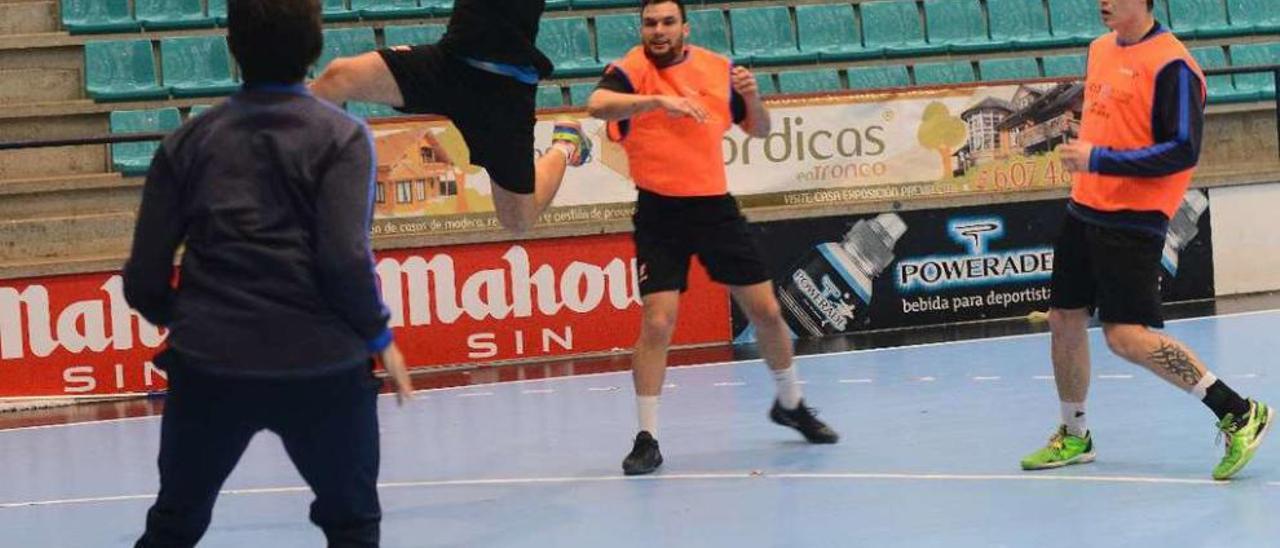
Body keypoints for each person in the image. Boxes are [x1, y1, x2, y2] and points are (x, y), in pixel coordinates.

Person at [125, 1, 413, 545]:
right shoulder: (343, 138)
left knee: (174, 525)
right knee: (353, 527)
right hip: (323, 368)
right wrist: (379, 337)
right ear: (316, 47)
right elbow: (343, 260)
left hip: (210, 367)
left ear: (232, 47)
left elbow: (143, 278)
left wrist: (191, 321)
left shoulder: (185, 144)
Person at [586, 0, 839, 477]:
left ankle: (791, 404)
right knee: (659, 322)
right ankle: (647, 438)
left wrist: (755, 97)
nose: (658, 31)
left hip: (714, 208)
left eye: (667, 22)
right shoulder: (628, 70)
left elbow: (759, 130)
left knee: (766, 311)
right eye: (650, 23)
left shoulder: (719, 70)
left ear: (685, 27)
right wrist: (656, 101)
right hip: (660, 212)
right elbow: (597, 105)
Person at [1022, 0, 1271, 479]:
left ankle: (1238, 411)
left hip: (1132, 219)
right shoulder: (1098, 49)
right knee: (1064, 318)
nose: (1103, 3)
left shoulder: (1174, 67)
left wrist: (1102, 159)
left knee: (1125, 337)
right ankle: (1074, 434)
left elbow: (1182, 151)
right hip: (1083, 209)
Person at [310, 0, 592, 233]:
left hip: (504, 91)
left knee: (518, 220)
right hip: (449, 65)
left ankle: (565, 145)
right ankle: (272, 146)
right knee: (339, 77)